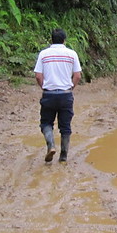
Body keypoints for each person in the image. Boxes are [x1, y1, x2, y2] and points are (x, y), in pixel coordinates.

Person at [34, 29, 82, 163]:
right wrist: (71, 87)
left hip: (48, 94)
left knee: (46, 123)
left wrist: (44, 87)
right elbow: (77, 75)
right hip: (66, 95)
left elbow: (38, 75)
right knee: (65, 126)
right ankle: (64, 156)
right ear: (64, 40)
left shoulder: (43, 54)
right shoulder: (72, 54)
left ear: (51, 40)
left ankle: (51, 145)